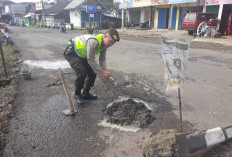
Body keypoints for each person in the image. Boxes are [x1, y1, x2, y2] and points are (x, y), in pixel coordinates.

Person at [64, 27, 120, 106]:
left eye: (113, 43)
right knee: (82, 72)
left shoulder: (104, 45)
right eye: (110, 41)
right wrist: (102, 72)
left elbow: (102, 58)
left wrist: (105, 70)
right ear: (105, 36)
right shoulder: (93, 41)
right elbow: (90, 60)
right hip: (72, 52)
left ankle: (85, 93)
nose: (111, 44)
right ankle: (77, 94)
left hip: (82, 55)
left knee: (93, 72)